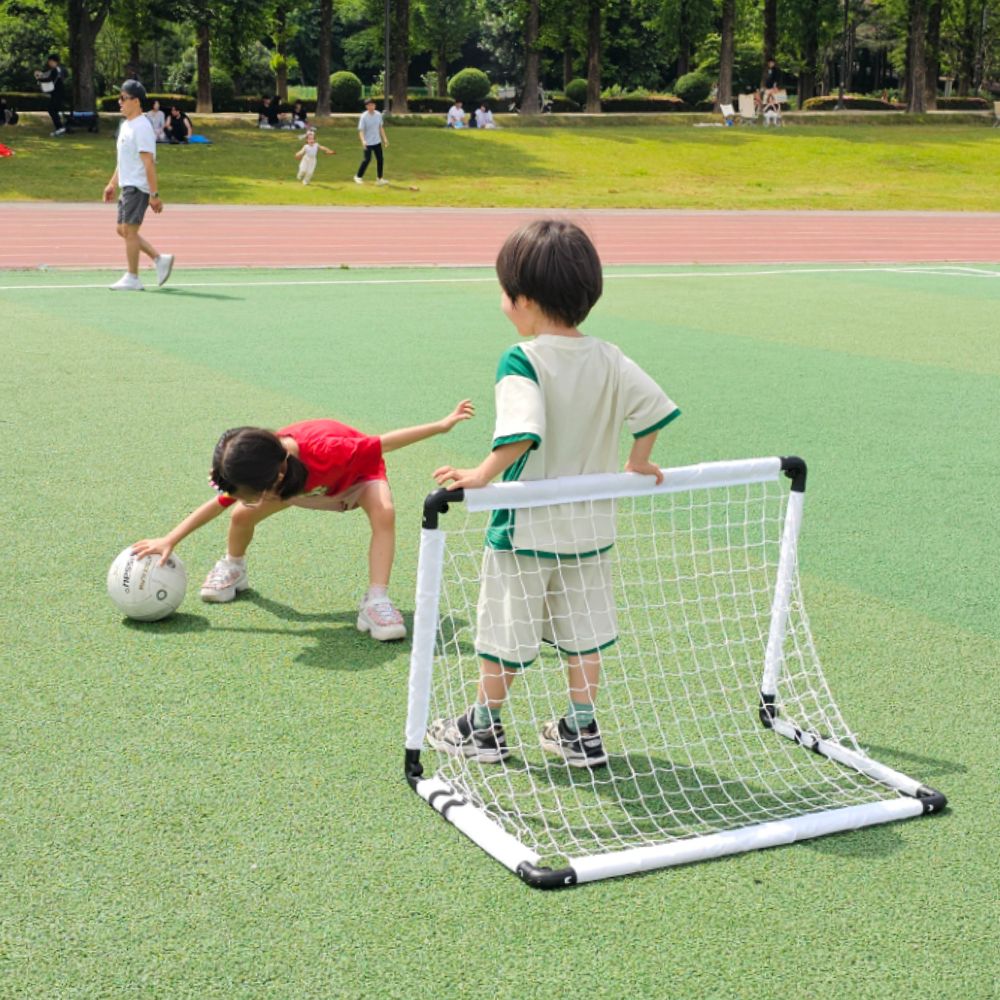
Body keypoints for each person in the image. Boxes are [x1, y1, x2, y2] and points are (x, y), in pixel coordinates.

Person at [427, 220, 680, 768]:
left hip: (527, 527)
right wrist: (637, 460)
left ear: (523, 300)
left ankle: (483, 729)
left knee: (506, 629)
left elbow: (522, 432)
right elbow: (656, 409)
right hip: (591, 528)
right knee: (584, 633)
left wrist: (480, 474)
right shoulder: (611, 356)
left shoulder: (524, 358)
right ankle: (580, 732)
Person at [131, 400, 476, 641]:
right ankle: (234, 568)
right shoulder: (261, 469)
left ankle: (376, 601)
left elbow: (384, 443)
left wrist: (442, 426)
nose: (244, 497)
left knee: (384, 511)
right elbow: (219, 505)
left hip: (355, 479)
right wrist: (171, 539)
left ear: (273, 477)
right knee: (240, 517)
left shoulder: (329, 448)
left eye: (248, 492)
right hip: (303, 487)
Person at [102, 79, 174, 292]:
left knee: (130, 232)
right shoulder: (126, 126)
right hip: (127, 185)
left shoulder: (142, 127)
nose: (120, 102)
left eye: (123, 98)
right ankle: (160, 259)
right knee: (122, 229)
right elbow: (123, 160)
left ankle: (133, 277)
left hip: (137, 187)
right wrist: (112, 183)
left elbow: (148, 162)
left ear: (136, 101)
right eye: (119, 98)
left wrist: (154, 194)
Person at [354, 97, 388, 185]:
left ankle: (379, 179)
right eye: (369, 105)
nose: (371, 107)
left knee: (380, 159)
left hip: (377, 141)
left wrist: (384, 139)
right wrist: (363, 141)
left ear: (375, 105)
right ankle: (358, 176)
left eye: (372, 105)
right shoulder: (364, 116)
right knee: (367, 159)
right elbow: (361, 130)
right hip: (368, 142)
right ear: (366, 107)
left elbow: (380, 127)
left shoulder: (378, 115)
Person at [34, 54, 67, 136]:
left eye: (50, 62)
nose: (49, 63)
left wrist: (39, 79)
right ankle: (60, 129)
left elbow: (49, 79)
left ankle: (60, 127)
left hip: (56, 93)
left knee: (51, 109)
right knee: (54, 110)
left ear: (54, 61)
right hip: (60, 93)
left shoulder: (55, 70)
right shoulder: (62, 69)